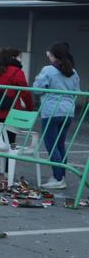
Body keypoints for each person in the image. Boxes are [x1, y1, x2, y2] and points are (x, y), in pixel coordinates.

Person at [34, 42, 80, 190]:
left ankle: (58, 178)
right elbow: (77, 92)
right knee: (60, 144)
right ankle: (61, 176)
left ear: (53, 56)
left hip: (51, 110)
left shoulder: (48, 70)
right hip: (68, 111)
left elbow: (37, 90)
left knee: (51, 144)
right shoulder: (73, 72)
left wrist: (36, 81)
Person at [0, 47, 34, 150]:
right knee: (10, 140)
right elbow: (25, 92)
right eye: (19, 57)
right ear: (13, 57)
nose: (20, 59)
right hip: (13, 111)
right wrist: (30, 108)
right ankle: (6, 164)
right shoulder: (16, 72)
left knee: (1, 138)